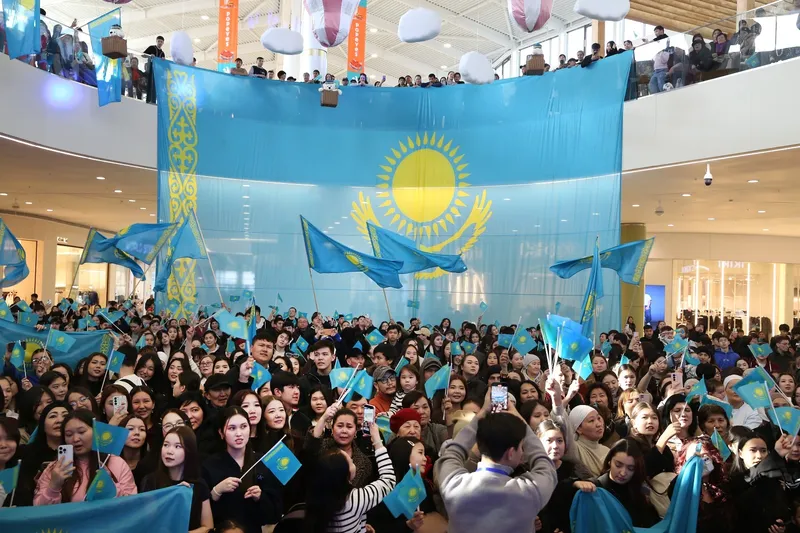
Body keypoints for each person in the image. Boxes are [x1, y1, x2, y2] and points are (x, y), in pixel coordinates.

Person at [435, 392, 557, 533]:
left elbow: (453, 451)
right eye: (521, 447)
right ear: (511, 453)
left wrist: (481, 415)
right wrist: (519, 418)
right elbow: (543, 460)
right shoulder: (530, 491)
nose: (523, 452)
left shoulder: (453, 484)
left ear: (479, 444)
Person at [303, 419, 394, 533]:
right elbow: (389, 480)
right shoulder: (354, 500)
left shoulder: (315, 496)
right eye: (350, 461)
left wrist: (359, 526)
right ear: (347, 474)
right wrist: (377, 441)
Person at [201, 406, 283, 533]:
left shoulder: (263, 462)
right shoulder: (209, 465)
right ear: (221, 433)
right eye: (232, 428)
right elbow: (201, 515)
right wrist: (216, 492)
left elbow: (275, 514)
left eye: (243, 427)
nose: (239, 433)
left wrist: (261, 497)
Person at [34, 409, 137, 504]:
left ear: (96, 431)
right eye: (69, 435)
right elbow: (39, 512)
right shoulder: (55, 468)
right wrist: (53, 487)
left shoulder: (115, 463)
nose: (75, 439)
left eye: (81, 432)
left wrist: (111, 488)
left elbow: (132, 505)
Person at [141, 426, 214, 532]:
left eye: (178, 446)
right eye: (166, 445)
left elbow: (208, 527)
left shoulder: (199, 485)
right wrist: (173, 495)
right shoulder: (150, 481)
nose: (169, 451)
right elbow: (149, 522)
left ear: (189, 451)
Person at [574, 439, 659, 527]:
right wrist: (575, 484)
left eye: (630, 468)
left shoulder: (639, 492)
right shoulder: (595, 487)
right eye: (618, 465)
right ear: (609, 461)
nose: (623, 473)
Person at [569, 405, 610, 477]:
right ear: (578, 428)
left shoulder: (607, 450)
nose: (599, 424)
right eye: (591, 420)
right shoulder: (575, 449)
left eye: (599, 418)